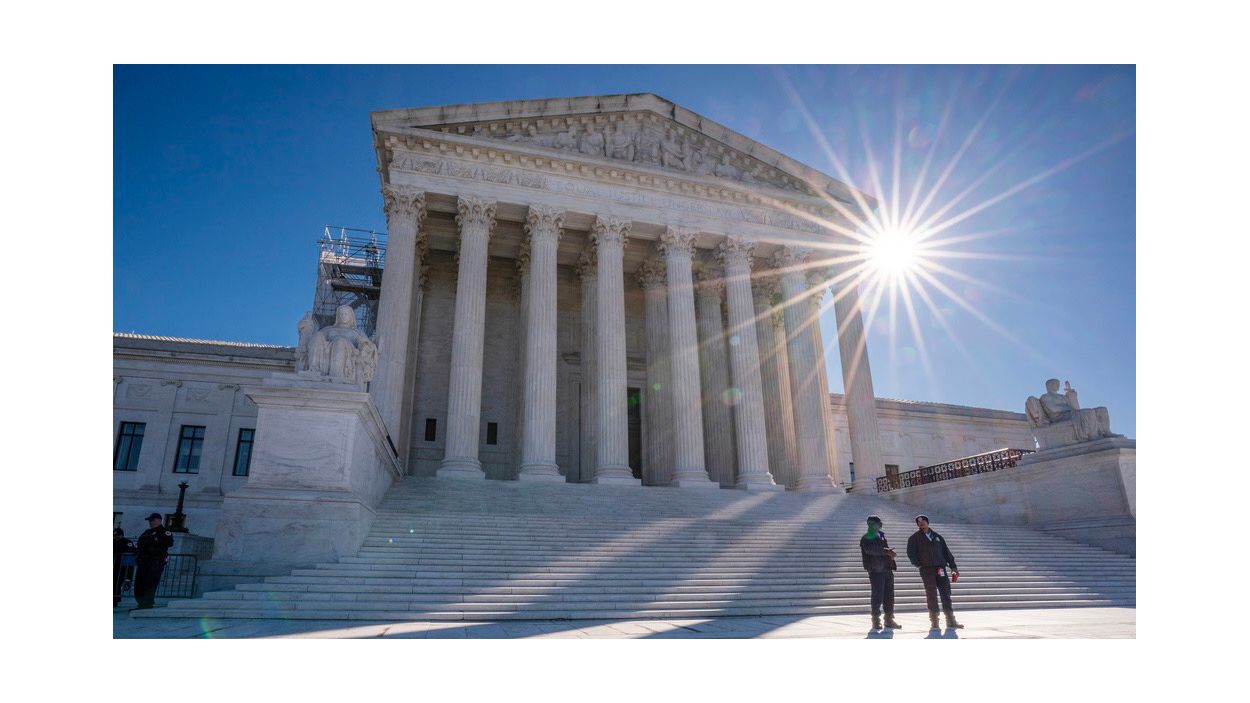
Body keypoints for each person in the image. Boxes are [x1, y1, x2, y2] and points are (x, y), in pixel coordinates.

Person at [906, 514, 964, 630]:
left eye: (923, 522)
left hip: (940, 568)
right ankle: (934, 621)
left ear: (928, 523)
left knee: (946, 593)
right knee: (931, 594)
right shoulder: (914, 538)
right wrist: (918, 564)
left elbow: (946, 552)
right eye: (919, 523)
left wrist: (953, 567)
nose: (921, 525)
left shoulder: (938, 537)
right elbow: (911, 553)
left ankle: (950, 620)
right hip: (927, 569)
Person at [859, 515, 901, 630]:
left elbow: (883, 550)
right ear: (871, 525)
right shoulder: (867, 537)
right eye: (878, 523)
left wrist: (890, 555)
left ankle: (889, 619)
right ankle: (876, 620)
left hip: (887, 568)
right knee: (877, 595)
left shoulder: (881, 535)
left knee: (889, 595)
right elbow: (870, 550)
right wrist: (886, 552)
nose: (880, 525)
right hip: (876, 570)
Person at [133, 513, 174, 610]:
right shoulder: (147, 532)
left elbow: (169, 543)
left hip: (155, 562)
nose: (150, 522)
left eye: (152, 520)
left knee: (150, 583)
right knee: (139, 583)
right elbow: (140, 544)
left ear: (159, 520)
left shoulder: (164, 532)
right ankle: (140, 603)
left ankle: (147, 603)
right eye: (150, 521)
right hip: (143, 561)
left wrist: (156, 540)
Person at [113, 528, 135, 607]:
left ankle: (115, 600)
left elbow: (130, 552)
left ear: (122, 535)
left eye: (117, 535)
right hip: (114, 565)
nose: (115, 537)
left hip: (121, 567)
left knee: (116, 583)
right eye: (114, 535)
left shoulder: (127, 542)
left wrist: (129, 577)